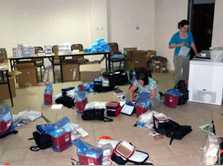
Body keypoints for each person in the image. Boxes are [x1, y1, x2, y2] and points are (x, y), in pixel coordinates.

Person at [169, 19, 198, 84]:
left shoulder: (189, 34)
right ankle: (176, 86)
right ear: (180, 27)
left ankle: (185, 85)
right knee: (178, 73)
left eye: (187, 28)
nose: (186, 29)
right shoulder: (175, 35)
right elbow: (170, 46)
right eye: (184, 28)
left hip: (186, 56)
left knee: (186, 72)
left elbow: (192, 43)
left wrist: (196, 53)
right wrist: (179, 44)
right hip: (178, 56)